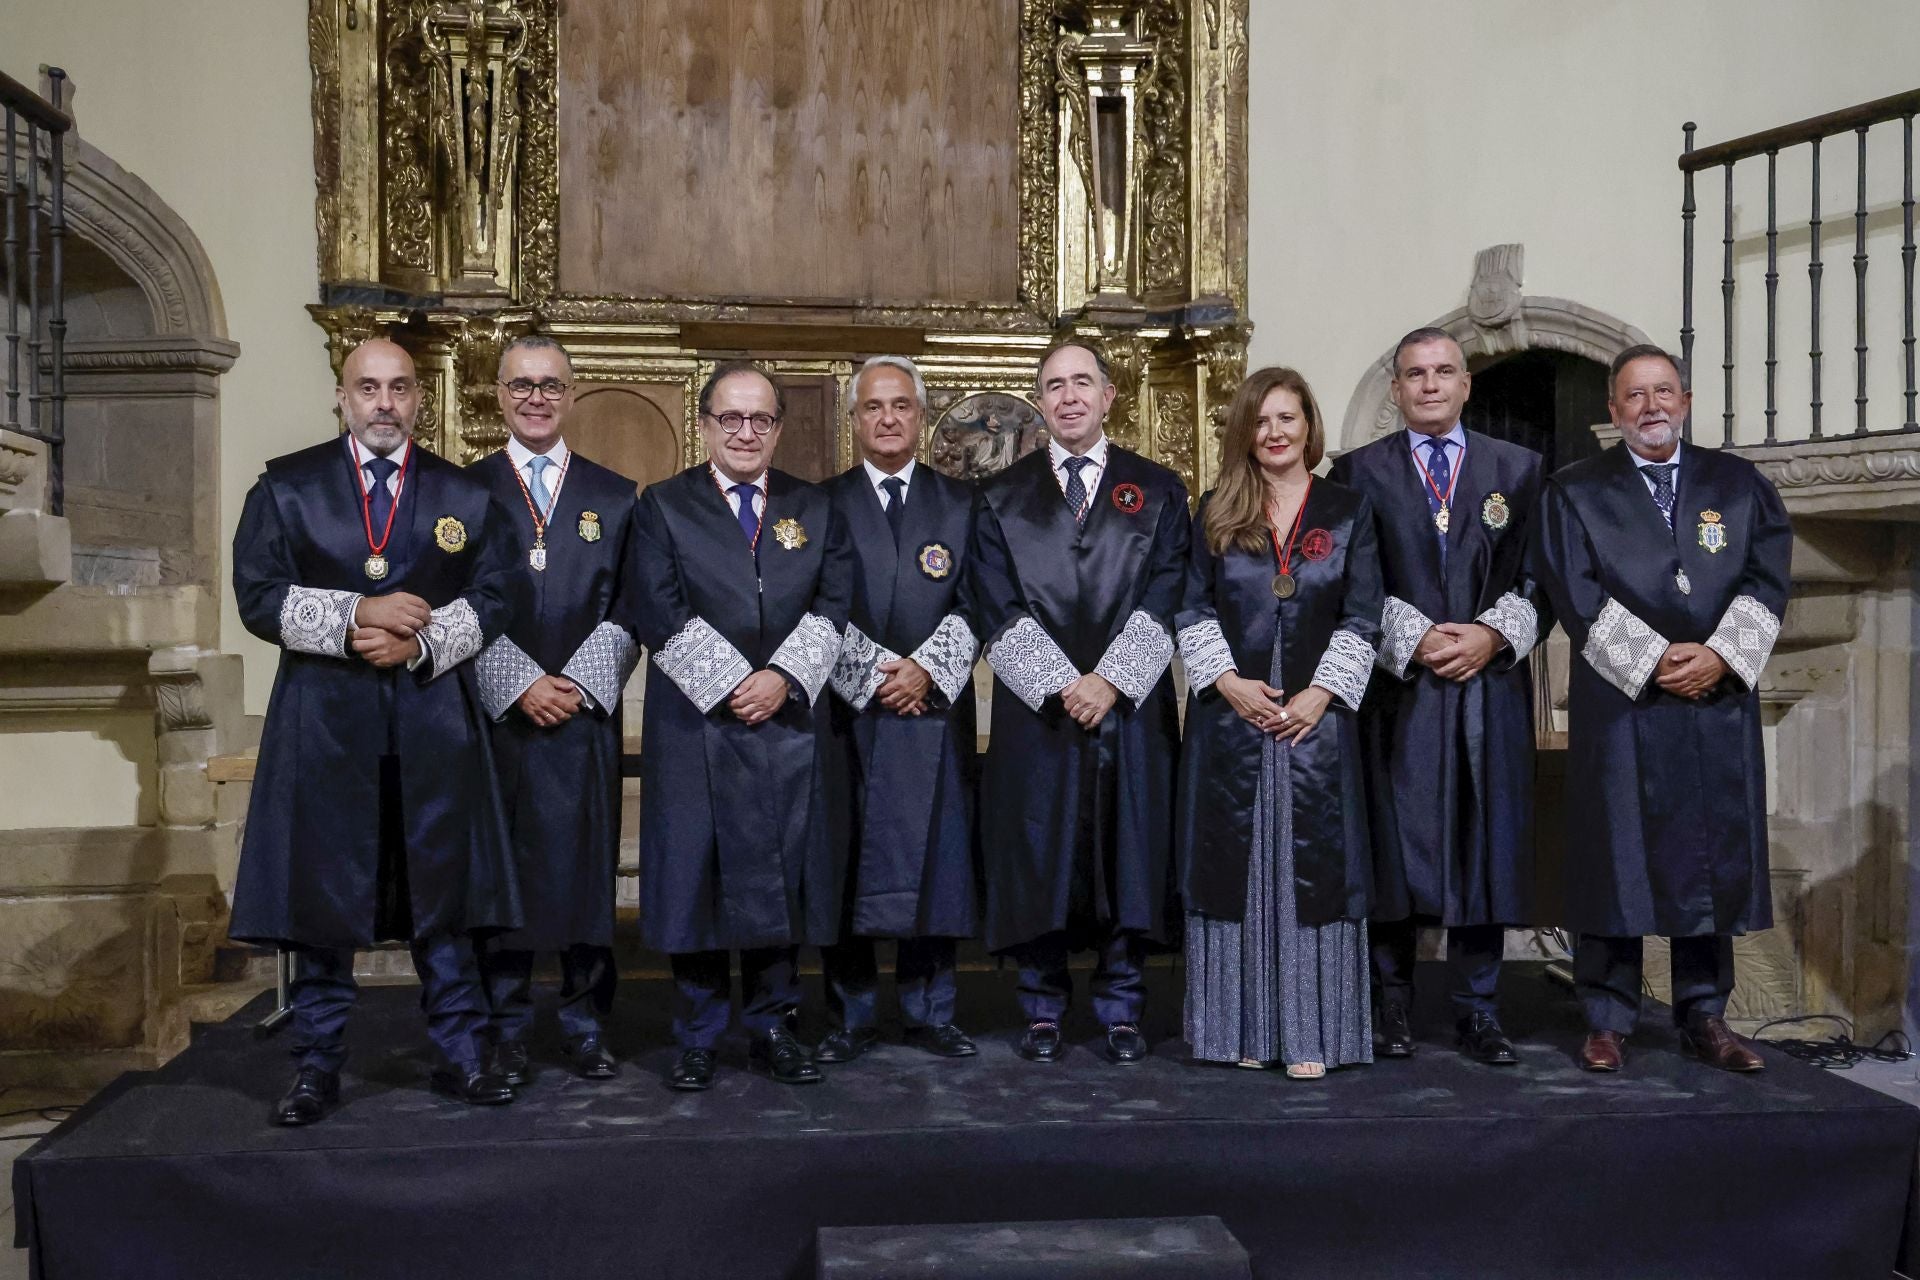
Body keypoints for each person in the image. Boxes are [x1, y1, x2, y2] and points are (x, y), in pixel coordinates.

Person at [229, 338, 527, 1125]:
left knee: (441, 893)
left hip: (433, 720)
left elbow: (499, 596)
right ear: (342, 396)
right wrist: (359, 614)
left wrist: (419, 640)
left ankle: (464, 1053)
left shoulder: (465, 494)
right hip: (326, 719)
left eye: (399, 388)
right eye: (368, 387)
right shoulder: (287, 487)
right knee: (325, 896)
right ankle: (316, 1067)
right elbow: (257, 596)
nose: (384, 402)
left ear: (420, 399)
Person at [1531, 344, 1789, 1074]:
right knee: (1613, 856)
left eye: (1664, 391)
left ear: (1686, 399)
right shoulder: (1575, 491)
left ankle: (1704, 1016)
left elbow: (1767, 579)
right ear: (1613, 411)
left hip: (1715, 703)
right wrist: (1655, 662)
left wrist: (1719, 656)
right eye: (1635, 395)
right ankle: (1608, 1019)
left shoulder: (1739, 486)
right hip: (1623, 706)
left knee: (1707, 859)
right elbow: (1574, 592)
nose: (1651, 406)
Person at [629, 360, 854, 1091]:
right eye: (731, 418)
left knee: (778, 880)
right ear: (705, 425)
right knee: (695, 878)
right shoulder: (662, 507)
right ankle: (696, 1034)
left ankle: (773, 1027)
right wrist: (731, 684)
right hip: (696, 727)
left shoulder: (814, 508)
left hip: (785, 726)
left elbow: (833, 600)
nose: (746, 432)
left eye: (761, 419)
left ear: (780, 428)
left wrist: (782, 678)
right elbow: (657, 606)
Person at [1328, 327, 1546, 1066]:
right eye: (1414, 374)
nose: (1429, 385)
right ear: (1395, 389)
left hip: (1489, 688)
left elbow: (1540, 581)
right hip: (1400, 692)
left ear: (1466, 384)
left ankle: (1479, 1011)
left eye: (1443, 371)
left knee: (1484, 849)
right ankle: (1389, 1006)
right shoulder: (1355, 472)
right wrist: (1414, 636)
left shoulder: (1518, 469)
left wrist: (1489, 635)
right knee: (1396, 849)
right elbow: (1350, 581)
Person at [970, 340, 1189, 1065]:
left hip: (1128, 710)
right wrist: (1064, 684)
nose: (1067, 397)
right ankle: (1041, 1008)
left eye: (1081, 383)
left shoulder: (1157, 490)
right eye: (1053, 386)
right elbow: (991, 601)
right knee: (1040, 853)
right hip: (1040, 714)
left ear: (1108, 396)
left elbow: (1169, 591)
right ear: (1041, 400)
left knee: (1129, 849)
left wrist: (1111, 680)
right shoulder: (1001, 497)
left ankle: (1124, 1008)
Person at [1177, 367, 1384, 1079]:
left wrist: (1322, 693)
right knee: (1237, 872)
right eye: (1261, 421)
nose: (1274, 433)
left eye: (1287, 419)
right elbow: (1191, 607)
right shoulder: (1216, 508)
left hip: (1314, 725)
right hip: (1233, 723)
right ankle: (1239, 1030)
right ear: (1245, 430)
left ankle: (1311, 1037)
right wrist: (1229, 684)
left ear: (1309, 426)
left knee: (1312, 873)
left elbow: (1364, 615)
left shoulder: (1348, 510)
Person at [470, 336, 641, 1085]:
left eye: (551, 385)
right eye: (521, 385)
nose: (536, 398)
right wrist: (516, 680)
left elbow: (633, 604)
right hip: (498, 721)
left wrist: (571, 682)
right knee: (498, 873)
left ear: (572, 395)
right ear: (499, 394)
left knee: (583, 872)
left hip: (582, 716)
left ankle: (583, 1024)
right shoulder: (463, 491)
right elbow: (453, 601)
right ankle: (503, 1025)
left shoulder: (616, 495)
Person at [818, 356, 983, 1063]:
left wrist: (926, 671)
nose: (887, 418)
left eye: (901, 406)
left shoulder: (966, 504)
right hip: (848, 714)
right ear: (853, 419)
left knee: (935, 858)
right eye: (872, 407)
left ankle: (930, 1010)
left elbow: (983, 600)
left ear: (922, 416)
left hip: (934, 711)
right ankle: (849, 1014)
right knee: (847, 855)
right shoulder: (819, 504)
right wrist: (875, 674)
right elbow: (813, 602)